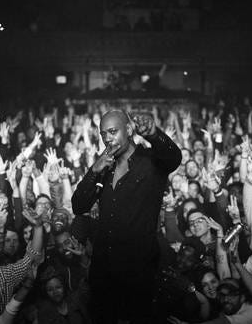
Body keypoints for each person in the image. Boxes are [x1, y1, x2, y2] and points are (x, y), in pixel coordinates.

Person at [72, 110, 181, 323]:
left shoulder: (151, 163)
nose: (108, 139)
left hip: (138, 274)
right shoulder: (104, 166)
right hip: (104, 275)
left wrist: (153, 134)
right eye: (103, 134)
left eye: (113, 131)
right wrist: (94, 170)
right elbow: (78, 205)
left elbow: (174, 158)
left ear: (129, 130)